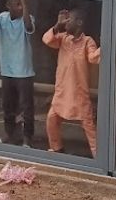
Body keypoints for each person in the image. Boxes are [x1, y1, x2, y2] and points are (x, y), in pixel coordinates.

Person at [42, 9, 101, 158]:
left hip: (79, 92)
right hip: (62, 91)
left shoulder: (88, 41)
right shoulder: (62, 39)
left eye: (70, 20)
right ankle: (57, 149)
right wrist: (57, 25)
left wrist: (106, 44)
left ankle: (99, 157)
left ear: (79, 23)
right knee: (52, 119)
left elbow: (94, 58)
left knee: (89, 126)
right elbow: (47, 40)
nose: (66, 23)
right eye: (65, 20)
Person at [0, 0, 36, 146]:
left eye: (22, 4)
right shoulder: (2, 18)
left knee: (26, 108)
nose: (21, 7)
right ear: (8, 6)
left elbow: (29, 27)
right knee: (8, 106)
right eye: (17, 4)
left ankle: (27, 138)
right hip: (7, 71)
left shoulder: (27, 18)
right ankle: (10, 135)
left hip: (24, 72)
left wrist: (25, 5)